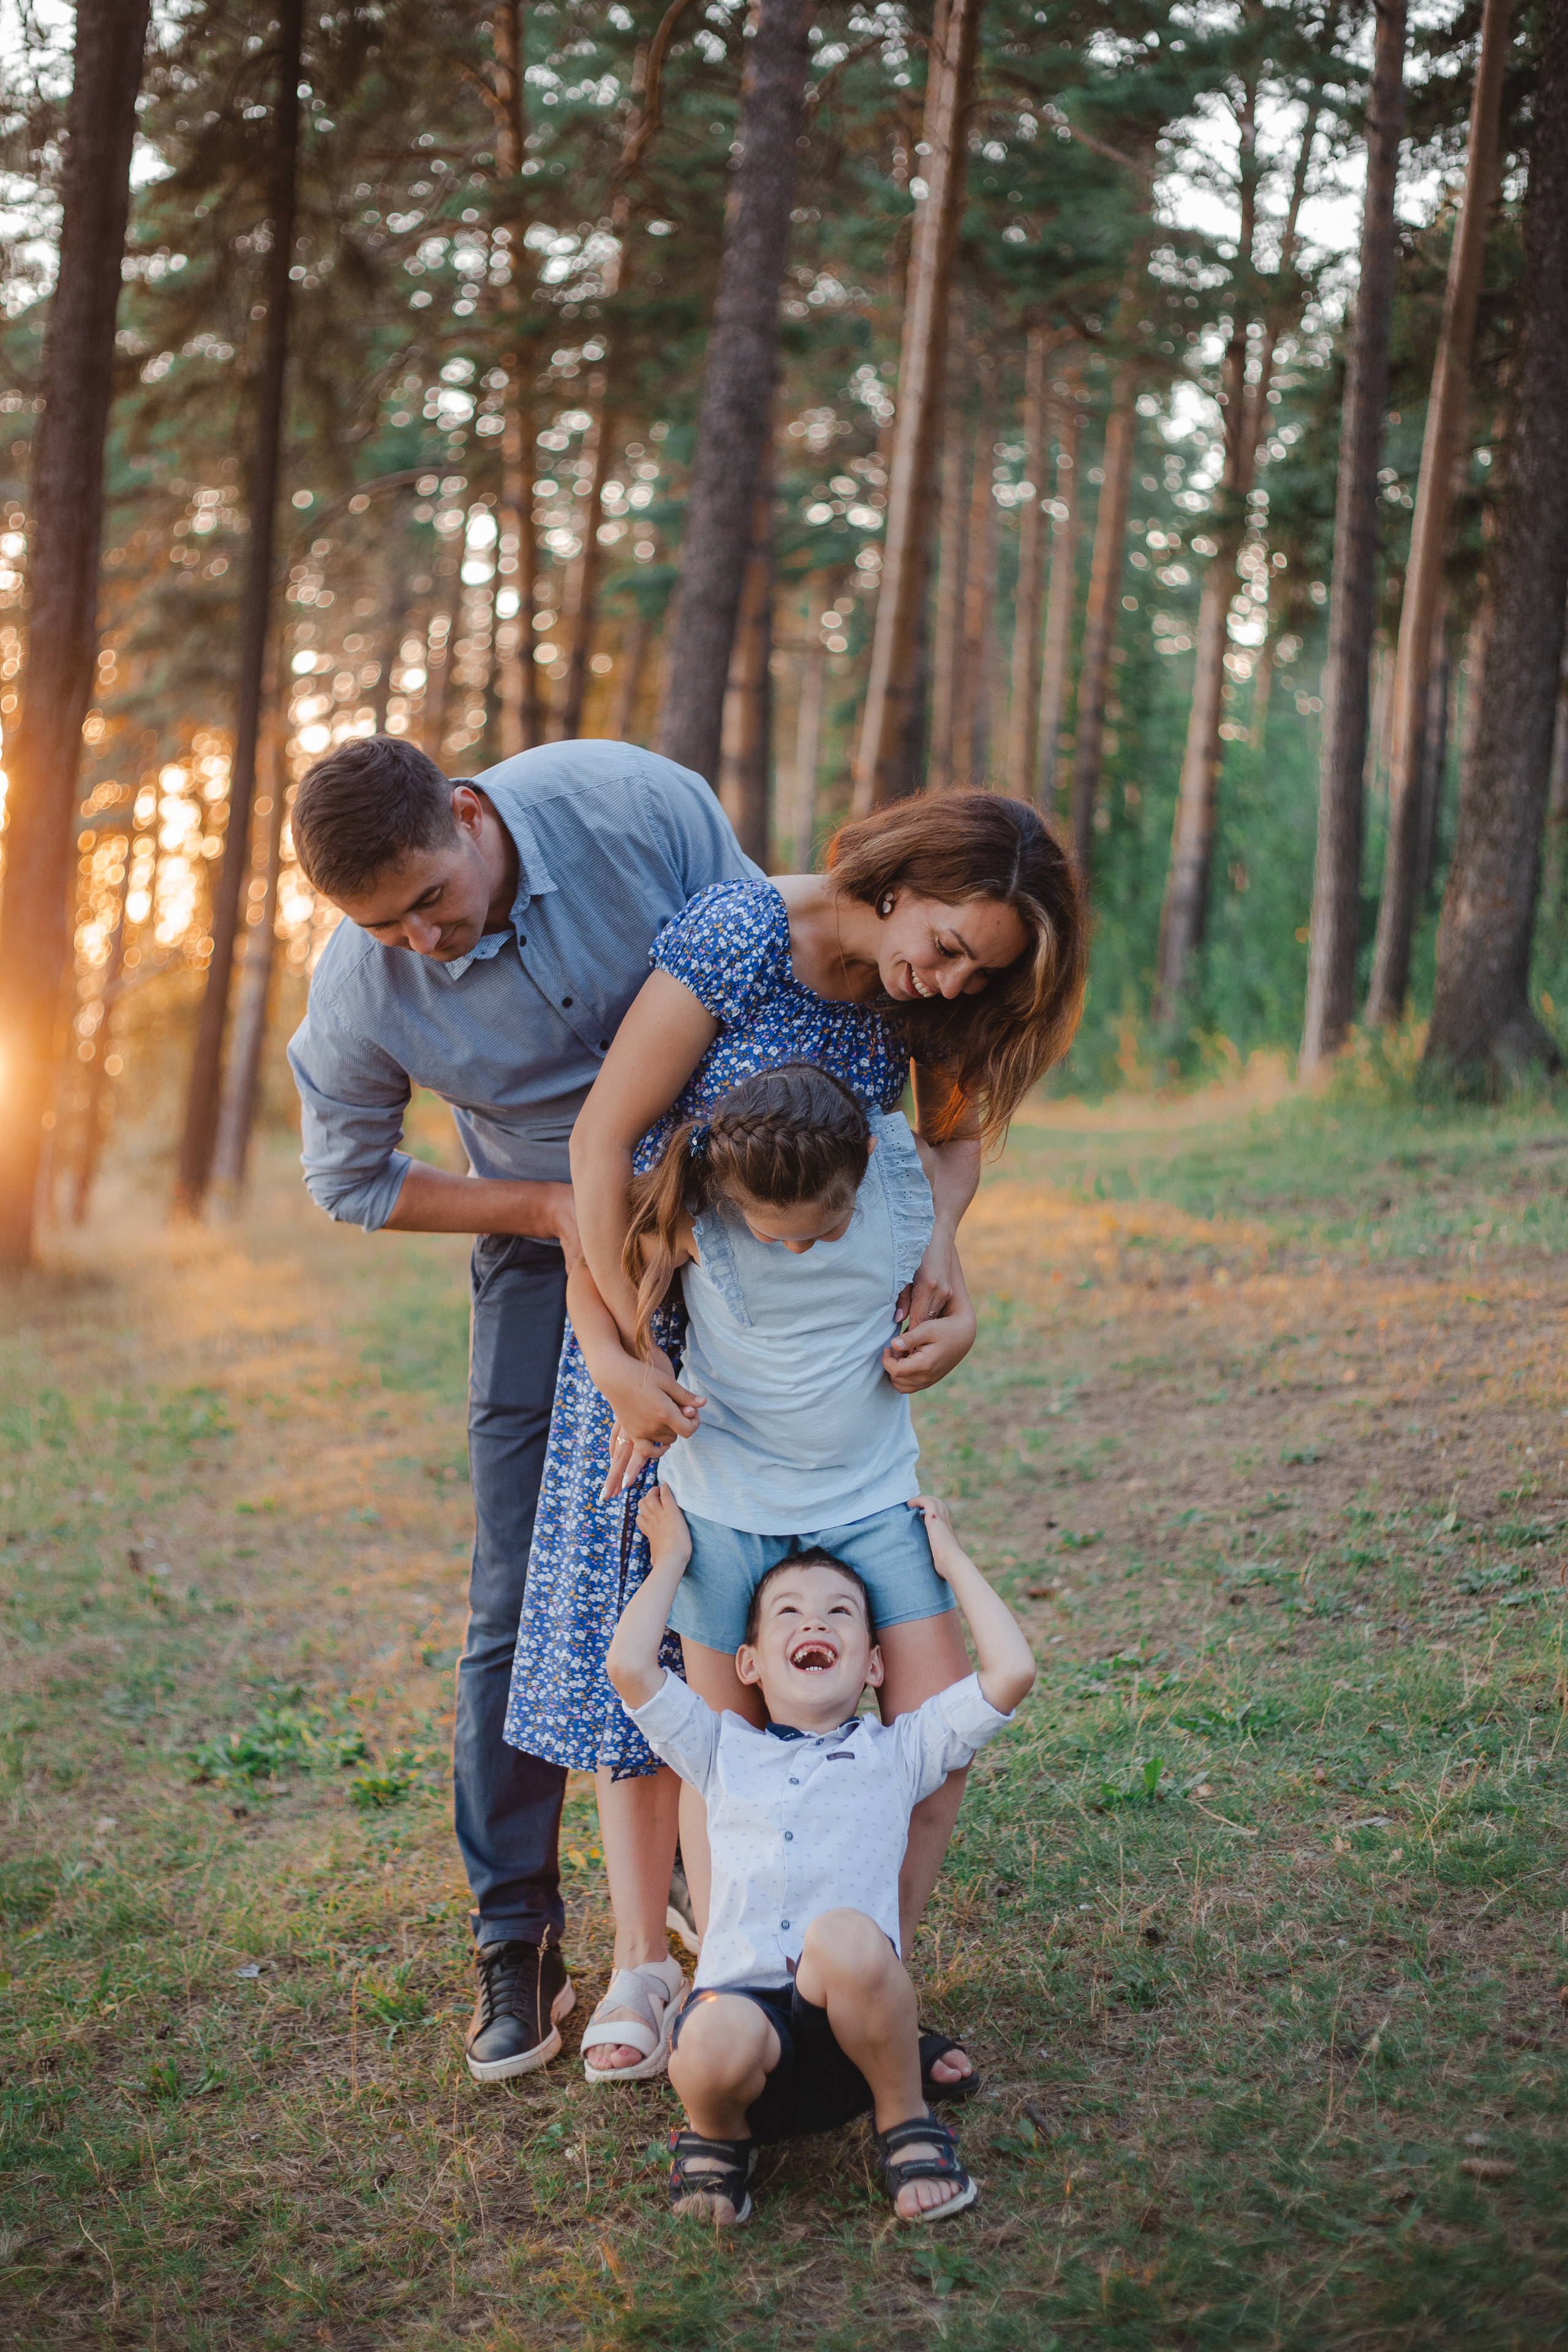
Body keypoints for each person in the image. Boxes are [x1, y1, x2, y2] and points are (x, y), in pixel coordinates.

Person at [505, 792, 1086, 2080]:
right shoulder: (741, 934)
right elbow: (603, 1145)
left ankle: (840, 1971)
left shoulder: (916, 1002)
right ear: (900, 879)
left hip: (813, 1372)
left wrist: (941, 1253)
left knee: (814, 1707)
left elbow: (945, 1143)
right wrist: (620, 1354)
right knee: (659, 1685)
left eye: (971, 972)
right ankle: (655, 1970)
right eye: (941, 944)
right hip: (658, 1300)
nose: (939, 982)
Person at [284, 732, 760, 2082]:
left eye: (429, 899)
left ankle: (755, 1891)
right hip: (539, 1244)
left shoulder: (630, 805)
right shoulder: (362, 986)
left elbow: (760, 971)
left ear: (467, 813)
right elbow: (353, 1180)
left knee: (746, 1554)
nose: (420, 942)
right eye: (381, 924)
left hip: (731, 1212)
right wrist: (557, 1207)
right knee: (522, 1591)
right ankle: (518, 1931)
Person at [522, 1062, 962, 2081]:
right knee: (724, 1772)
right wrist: (615, 1363)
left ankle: (871, 1987)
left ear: (864, 1174)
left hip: (870, 1501)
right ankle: (736, 1982)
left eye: (825, 1226)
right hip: (730, 1514)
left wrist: (962, 1316)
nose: (803, 1245)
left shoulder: (894, 1179)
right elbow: (591, 1261)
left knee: (937, 1749)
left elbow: (951, 1224)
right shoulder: (702, 1209)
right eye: (782, 1233)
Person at [606, 1487, 1036, 2226]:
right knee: (707, 2035)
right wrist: (672, 1558)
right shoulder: (718, 1749)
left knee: (843, 1937)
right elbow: (629, 1668)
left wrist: (952, 1560)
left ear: (873, 1664)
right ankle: (720, 2138)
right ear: (748, 1663)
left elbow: (1011, 1674)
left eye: (839, 1611)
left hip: (853, 2046)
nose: (814, 1620)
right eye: (789, 1613)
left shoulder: (899, 1752)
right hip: (743, 2044)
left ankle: (903, 2122)